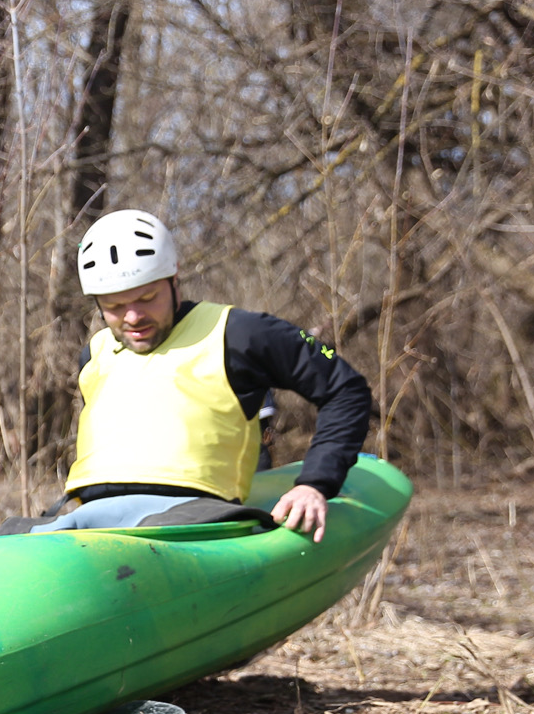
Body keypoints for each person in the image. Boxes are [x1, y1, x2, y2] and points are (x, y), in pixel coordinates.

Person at [23, 209, 372, 542]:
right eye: (114, 306)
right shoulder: (94, 354)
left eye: (147, 297)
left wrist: (314, 483)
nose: (132, 317)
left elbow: (346, 389)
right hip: (89, 519)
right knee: (11, 536)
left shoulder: (240, 333)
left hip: (194, 520)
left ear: (174, 281)